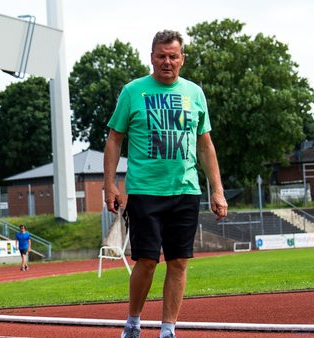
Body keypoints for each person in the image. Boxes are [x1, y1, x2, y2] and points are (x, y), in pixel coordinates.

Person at [104, 30, 227, 338]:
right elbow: (114, 139)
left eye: (173, 56)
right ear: (152, 58)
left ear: (182, 60)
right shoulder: (133, 91)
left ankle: (168, 329)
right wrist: (110, 185)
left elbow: (205, 144)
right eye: (161, 56)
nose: (167, 62)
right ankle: (133, 322)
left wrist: (218, 190)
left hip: (185, 191)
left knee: (179, 262)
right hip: (145, 191)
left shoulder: (194, 94)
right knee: (146, 261)